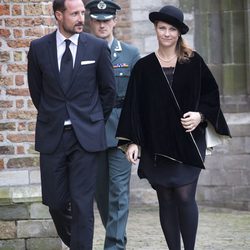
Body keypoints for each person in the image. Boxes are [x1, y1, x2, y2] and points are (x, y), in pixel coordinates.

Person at [116, 5, 231, 250]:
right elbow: (134, 107)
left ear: (179, 33)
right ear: (156, 30)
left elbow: (211, 95)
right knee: (166, 199)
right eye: (161, 28)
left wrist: (200, 116)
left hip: (188, 141)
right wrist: (133, 141)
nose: (166, 33)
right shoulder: (143, 68)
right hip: (157, 144)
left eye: (171, 29)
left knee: (185, 196)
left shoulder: (193, 62)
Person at [27, 0, 116, 248]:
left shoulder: (97, 48)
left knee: (82, 203)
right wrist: (54, 116)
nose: (81, 18)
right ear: (59, 15)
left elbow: (108, 91)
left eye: (82, 13)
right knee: (55, 202)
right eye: (74, 13)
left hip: (86, 138)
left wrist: (93, 122)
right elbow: (37, 92)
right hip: (52, 135)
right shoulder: (38, 48)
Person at [85, 1, 140, 249]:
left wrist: (135, 137)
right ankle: (116, 236)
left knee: (119, 193)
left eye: (107, 19)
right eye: (97, 19)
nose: (102, 24)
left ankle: (115, 245)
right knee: (102, 195)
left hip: (121, 133)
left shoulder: (130, 54)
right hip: (91, 132)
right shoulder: (82, 51)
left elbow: (138, 100)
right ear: (90, 22)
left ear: (115, 21)